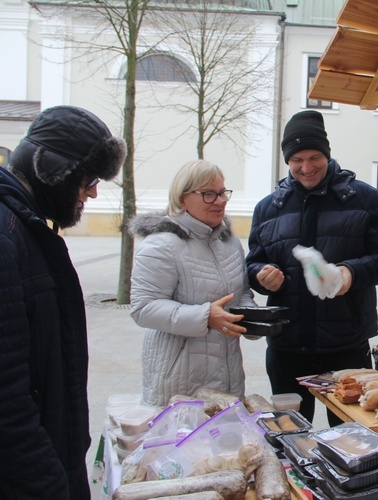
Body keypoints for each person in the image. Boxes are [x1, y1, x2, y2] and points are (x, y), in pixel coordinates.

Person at [246, 110, 378, 424]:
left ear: (327, 154)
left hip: (344, 345)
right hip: (286, 347)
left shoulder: (363, 198)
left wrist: (350, 273)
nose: (306, 168)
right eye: (297, 160)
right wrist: (262, 277)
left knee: (349, 439)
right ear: (287, 162)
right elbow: (253, 263)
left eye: (315, 157)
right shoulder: (268, 208)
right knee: (291, 437)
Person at [0, 106, 125, 499]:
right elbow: (7, 399)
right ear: (52, 170)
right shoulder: (8, 234)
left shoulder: (29, 226)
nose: (92, 191)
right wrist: (51, 482)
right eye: (88, 179)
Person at [129, 160, 258, 407]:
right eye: (208, 194)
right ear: (182, 199)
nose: (220, 201)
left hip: (227, 373)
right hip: (179, 379)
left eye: (222, 193)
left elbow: (240, 295)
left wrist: (253, 318)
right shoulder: (162, 244)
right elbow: (143, 308)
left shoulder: (228, 241)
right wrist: (204, 316)